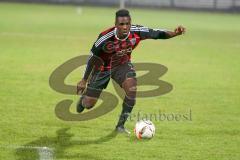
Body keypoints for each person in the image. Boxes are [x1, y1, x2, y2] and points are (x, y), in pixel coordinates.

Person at [76, 9, 185, 134]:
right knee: (89, 104)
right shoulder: (105, 37)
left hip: (122, 65)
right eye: (121, 24)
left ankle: (120, 126)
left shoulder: (137, 31)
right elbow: (92, 57)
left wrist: (175, 33)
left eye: (127, 23)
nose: (125, 27)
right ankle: (84, 100)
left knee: (131, 90)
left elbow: (157, 33)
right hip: (102, 68)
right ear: (116, 24)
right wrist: (84, 79)